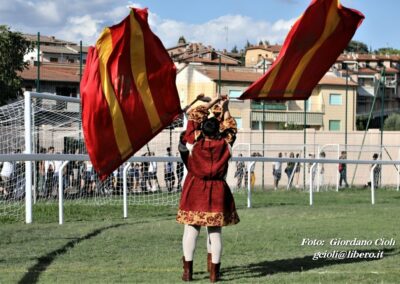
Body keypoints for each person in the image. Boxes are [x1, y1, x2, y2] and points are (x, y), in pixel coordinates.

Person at [177, 94, 239, 282]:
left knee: (191, 230)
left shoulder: (195, 140)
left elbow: (195, 114)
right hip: (218, 189)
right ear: (218, 131)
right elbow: (231, 127)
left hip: (195, 188)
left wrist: (210, 102)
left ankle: (188, 272)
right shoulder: (225, 143)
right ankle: (214, 274)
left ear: (202, 130)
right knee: (215, 232)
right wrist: (226, 107)